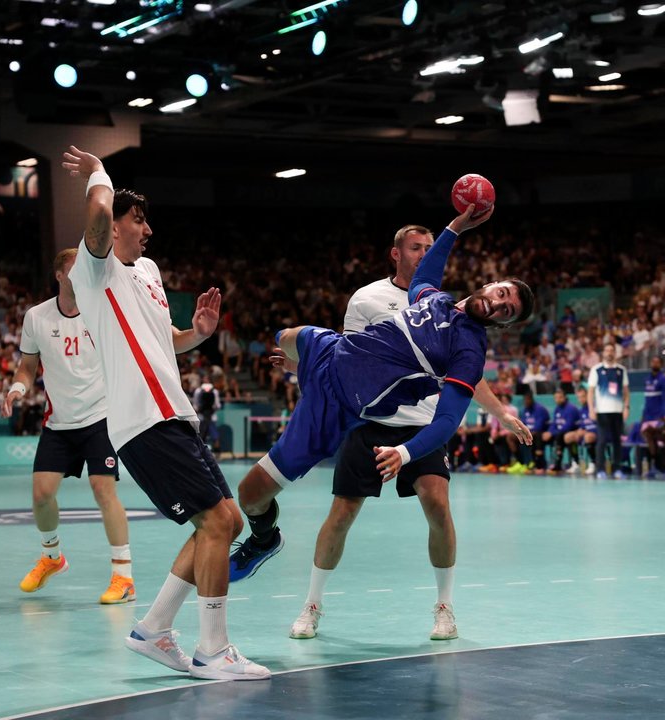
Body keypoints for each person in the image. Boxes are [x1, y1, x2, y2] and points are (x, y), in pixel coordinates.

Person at [228, 203, 534, 587]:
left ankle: (265, 544)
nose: (499, 302)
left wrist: (408, 451)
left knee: (252, 492)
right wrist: (455, 226)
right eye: (502, 293)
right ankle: (264, 536)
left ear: (501, 323)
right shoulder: (431, 298)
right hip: (329, 355)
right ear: (489, 284)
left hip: (345, 411)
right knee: (286, 337)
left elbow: (447, 419)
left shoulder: (469, 350)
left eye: (506, 311)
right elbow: (426, 276)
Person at [61, 146, 267, 681]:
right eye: (139, 218)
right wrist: (98, 174)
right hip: (142, 421)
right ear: (119, 225)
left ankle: (153, 630)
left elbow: (162, 340)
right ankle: (213, 650)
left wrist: (196, 334)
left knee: (223, 521)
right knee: (220, 521)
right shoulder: (95, 269)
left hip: (174, 414)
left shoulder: (149, 272)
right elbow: (101, 214)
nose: (148, 228)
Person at [288, 223, 529, 642]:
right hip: (368, 420)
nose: (424, 252)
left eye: (429, 247)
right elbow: (350, 356)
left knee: (437, 504)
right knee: (342, 514)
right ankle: (311, 603)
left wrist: (499, 412)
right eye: (417, 246)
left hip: (421, 424)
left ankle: (445, 607)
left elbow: (462, 387)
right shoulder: (386, 298)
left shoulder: (458, 326)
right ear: (396, 253)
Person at [1, 249, 134, 605]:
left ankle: (123, 576)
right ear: (59, 275)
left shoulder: (102, 311)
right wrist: (16, 389)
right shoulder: (37, 317)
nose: (82, 275)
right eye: (74, 269)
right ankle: (51, 557)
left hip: (100, 417)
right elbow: (27, 367)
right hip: (59, 421)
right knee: (42, 494)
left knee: (102, 489)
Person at [587, 343, 630, 479]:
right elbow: (590, 391)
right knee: (602, 440)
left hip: (617, 411)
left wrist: (626, 408)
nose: (609, 353)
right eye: (607, 350)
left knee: (617, 440)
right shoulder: (596, 369)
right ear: (603, 353)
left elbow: (626, 391)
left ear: (615, 353)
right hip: (602, 411)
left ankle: (617, 468)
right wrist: (591, 409)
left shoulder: (621, 370)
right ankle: (600, 469)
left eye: (612, 350)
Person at [638, 356, 665, 478]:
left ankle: (663, 468)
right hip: (647, 418)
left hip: (659, 417)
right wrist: (643, 417)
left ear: (661, 365)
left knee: (658, 437)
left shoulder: (664, 380)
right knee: (646, 436)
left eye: (657, 362)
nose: (654, 363)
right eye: (653, 361)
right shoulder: (647, 380)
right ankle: (655, 466)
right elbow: (647, 401)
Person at [545, 388, 581, 474]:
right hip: (560, 433)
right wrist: (550, 432)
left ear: (565, 397)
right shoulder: (557, 408)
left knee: (561, 436)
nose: (558, 399)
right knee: (543, 436)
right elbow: (554, 423)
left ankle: (566, 463)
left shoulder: (571, 408)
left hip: (572, 431)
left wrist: (555, 432)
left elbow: (569, 425)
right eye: (556, 398)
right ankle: (539, 464)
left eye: (560, 397)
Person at [520, 391, 550, 471]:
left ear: (531, 399)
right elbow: (522, 423)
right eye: (524, 400)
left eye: (527, 400)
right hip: (529, 432)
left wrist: (528, 432)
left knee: (535, 436)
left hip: (541, 432)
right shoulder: (525, 410)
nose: (526, 402)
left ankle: (540, 464)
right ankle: (522, 463)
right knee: (514, 437)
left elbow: (539, 426)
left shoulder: (540, 409)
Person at [574, 386, 599, 474]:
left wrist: (587, 431)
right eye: (579, 397)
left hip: (600, 434)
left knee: (588, 436)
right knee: (570, 436)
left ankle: (594, 463)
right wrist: (580, 430)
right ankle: (575, 463)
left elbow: (601, 426)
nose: (581, 399)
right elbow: (583, 425)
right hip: (587, 433)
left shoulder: (596, 407)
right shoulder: (581, 410)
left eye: (583, 396)